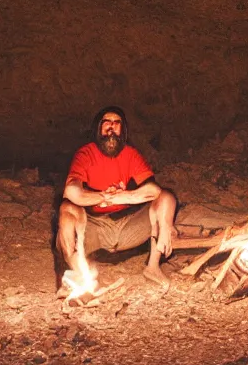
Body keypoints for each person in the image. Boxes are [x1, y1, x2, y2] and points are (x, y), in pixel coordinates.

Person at [56, 106, 178, 289]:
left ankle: (153, 267)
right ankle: (80, 277)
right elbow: (72, 192)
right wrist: (102, 197)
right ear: (98, 128)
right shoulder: (86, 154)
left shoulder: (130, 154)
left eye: (116, 124)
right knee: (66, 209)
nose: (111, 128)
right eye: (106, 123)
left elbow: (153, 189)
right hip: (95, 228)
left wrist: (123, 197)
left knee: (166, 198)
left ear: (123, 130)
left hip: (129, 227)